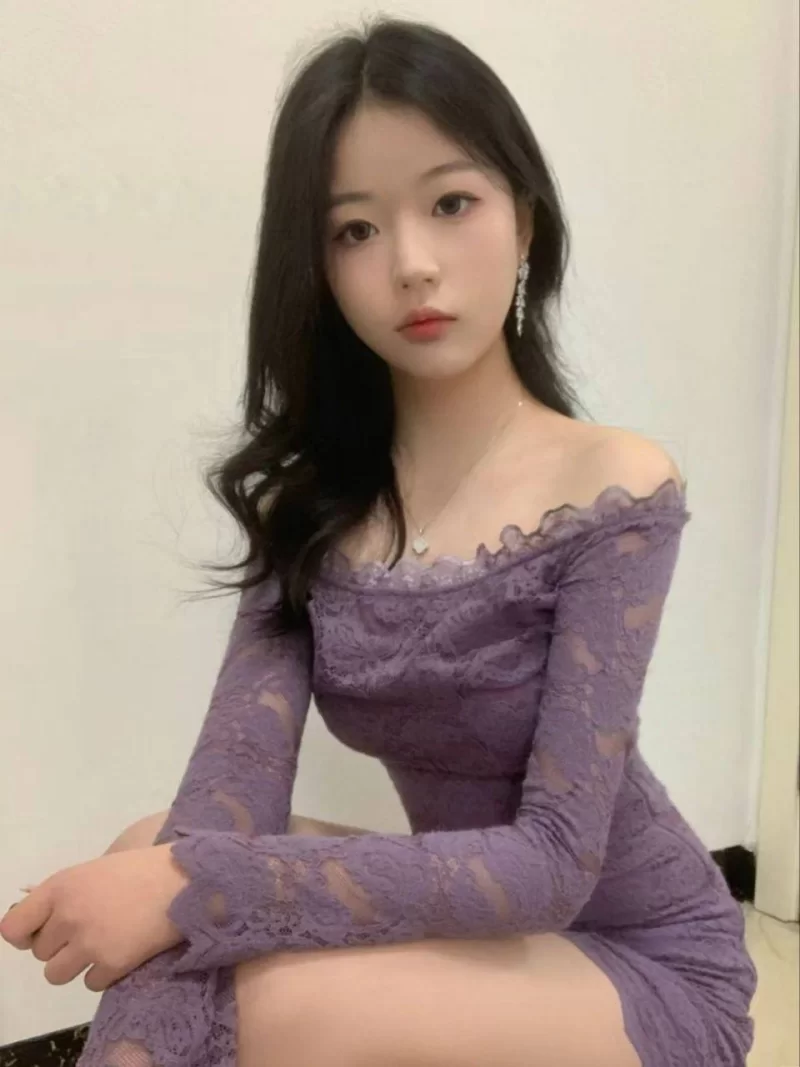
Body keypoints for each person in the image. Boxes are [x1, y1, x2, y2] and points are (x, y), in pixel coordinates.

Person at [0, 14, 757, 1067]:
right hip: (484, 931)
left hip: (633, 954)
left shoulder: (612, 485)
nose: (410, 264)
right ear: (315, 265)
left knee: (224, 941)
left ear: (524, 222)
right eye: (354, 229)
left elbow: (551, 864)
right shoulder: (311, 505)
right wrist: (182, 876)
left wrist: (192, 887)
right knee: (153, 845)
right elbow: (231, 789)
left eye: (450, 203)